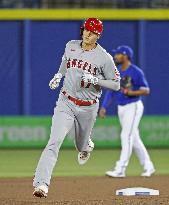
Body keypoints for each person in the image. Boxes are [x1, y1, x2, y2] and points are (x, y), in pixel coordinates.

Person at [33, 18, 120, 198]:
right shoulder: (71, 45)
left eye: (93, 32)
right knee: (54, 141)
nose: (88, 34)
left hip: (88, 107)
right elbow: (66, 62)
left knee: (80, 146)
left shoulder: (104, 58)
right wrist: (59, 74)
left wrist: (96, 80)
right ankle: (41, 184)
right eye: (86, 30)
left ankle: (86, 145)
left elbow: (116, 84)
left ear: (98, 35)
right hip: (66, 102)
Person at [99, 45, 155, 178]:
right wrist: (104, 107)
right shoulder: (116, 72)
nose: (115, 56)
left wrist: (132, 92)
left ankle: (120, 169)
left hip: (133, 106)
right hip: (121, 108)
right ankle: (148, 166)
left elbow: (146, 90)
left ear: (125, 56)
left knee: (126, 136)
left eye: (118, 54)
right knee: (134, 138)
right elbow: (111, 91)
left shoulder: (136, 72)